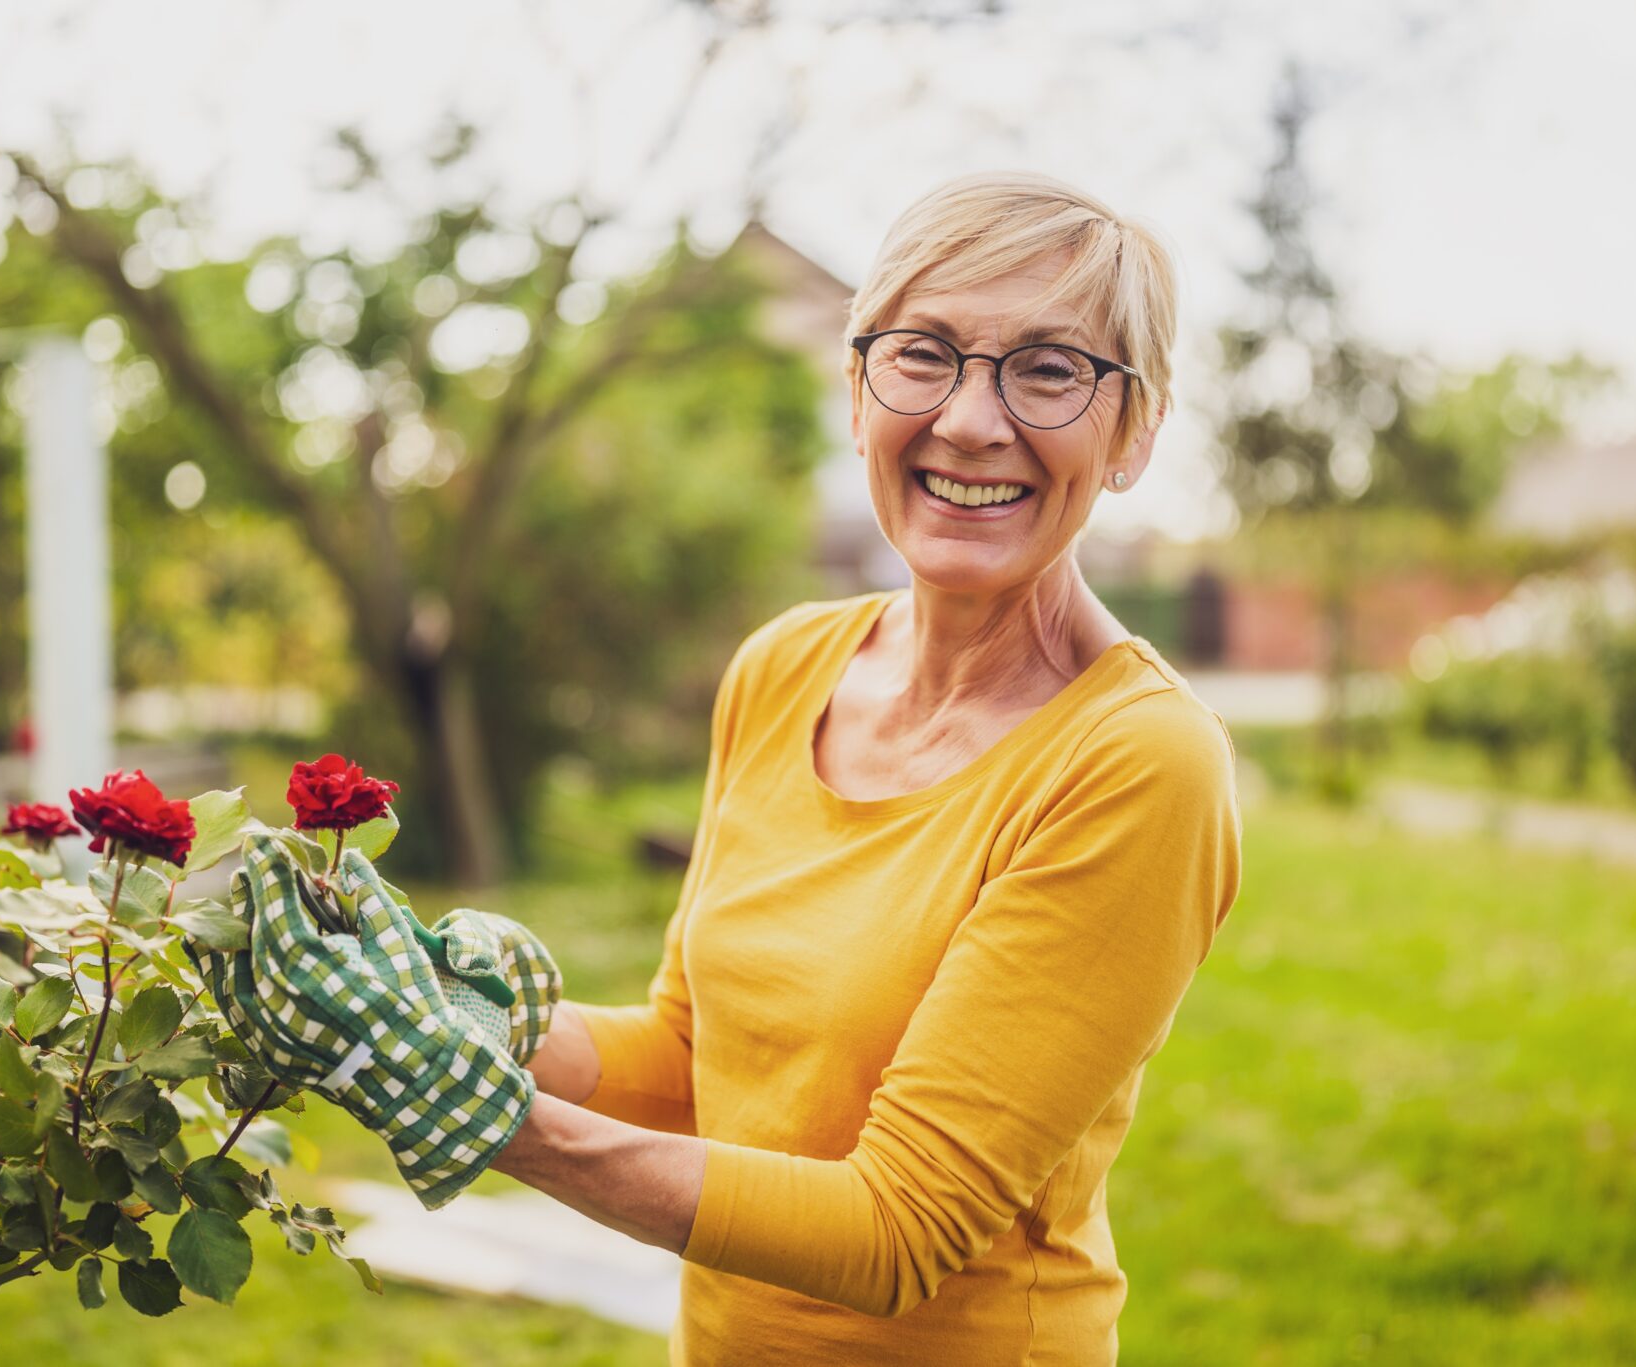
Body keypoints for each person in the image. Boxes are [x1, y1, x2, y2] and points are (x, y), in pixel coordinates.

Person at [239, 171, 1242, 1365]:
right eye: (922, 353)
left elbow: (897, 1226)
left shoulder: (1135, 760)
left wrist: (484, 1116)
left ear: (1129, 434)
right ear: (859, 391)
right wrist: (451, 1014)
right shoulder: (785, 666)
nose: (972, 420)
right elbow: (685, 1055)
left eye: (1048, 368)